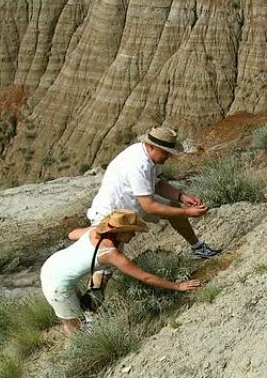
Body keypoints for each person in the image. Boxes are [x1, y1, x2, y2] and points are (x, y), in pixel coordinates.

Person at [41, 209, 202, 335]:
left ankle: (86, 323)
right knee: (75, 328)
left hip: (51, 265)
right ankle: (76, 356)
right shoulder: (110, 254)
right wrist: (178, 286)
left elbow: (72, 233)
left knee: (78, 313)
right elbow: (146, 277)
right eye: (130, 231)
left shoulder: (96, 230)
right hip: (57, 285)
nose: (133, 235)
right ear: (119, 232)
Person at [68, 126, 220, 259]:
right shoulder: (139, 164)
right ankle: (83, 244)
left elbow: (157, 185)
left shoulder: (152, 159)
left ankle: (197, 247)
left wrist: (182, 197)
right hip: (112, 214)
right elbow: (149, 206)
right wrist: (188, 212)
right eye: (165, 152)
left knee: (173, 205)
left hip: (133, 206)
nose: (168, 156)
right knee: (109, 255)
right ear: (152, 147)